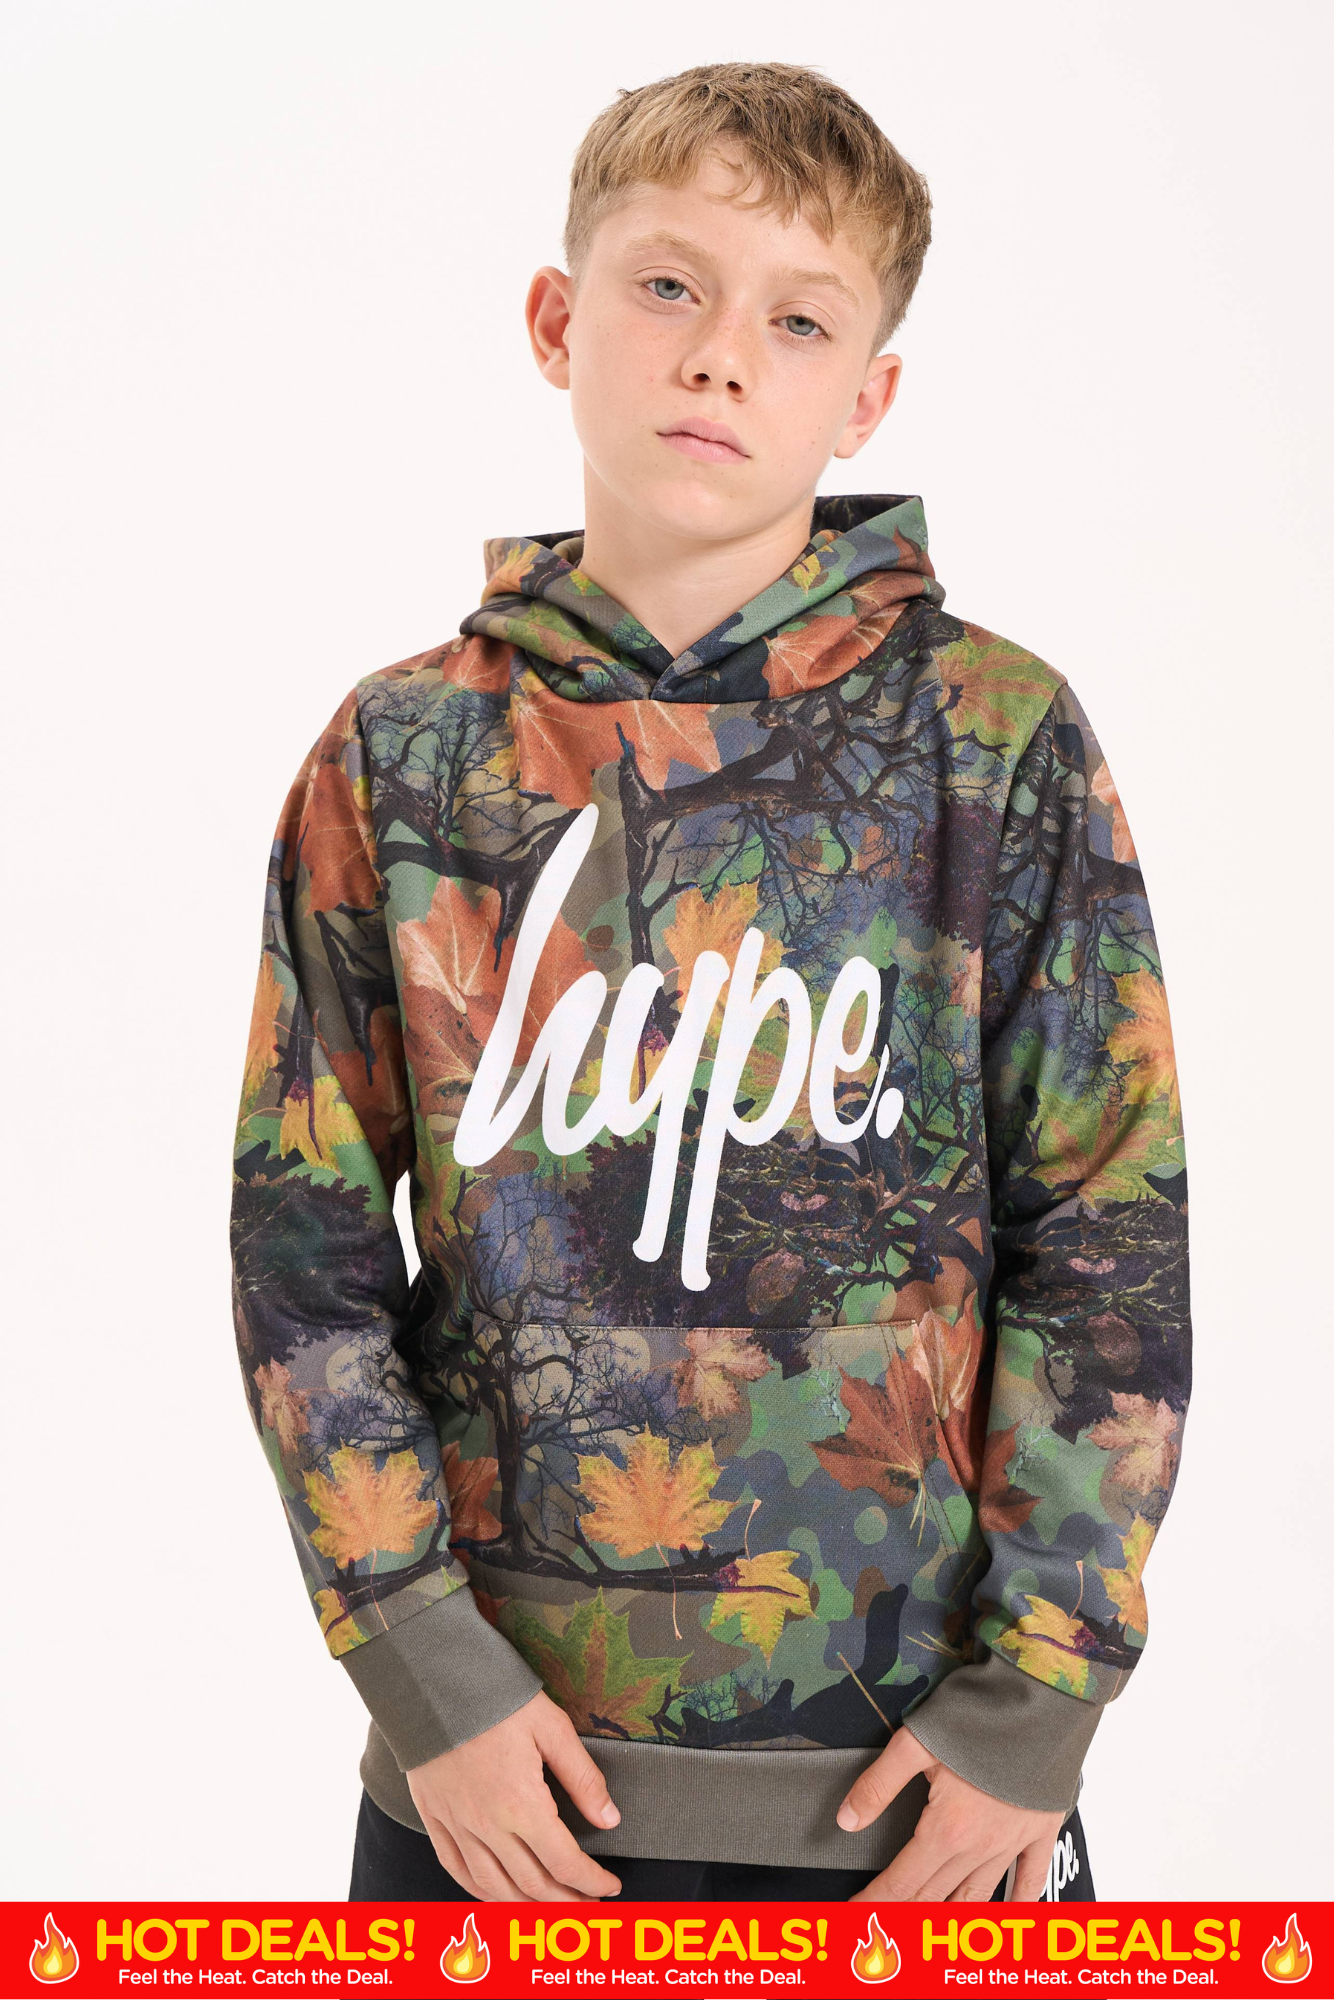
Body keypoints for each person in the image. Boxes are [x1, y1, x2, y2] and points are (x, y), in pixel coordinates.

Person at [229, 60, 1191, 1907]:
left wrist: (1035, 1705)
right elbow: (304, 1252)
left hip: (925, 1820)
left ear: (865, 395)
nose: (720, 358)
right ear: (555, 319)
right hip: (491, 1812)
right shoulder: (400, 757)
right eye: (667, 284)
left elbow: (1107, 1234)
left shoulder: (993, 741)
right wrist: (424, 1676)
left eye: (797, 320)